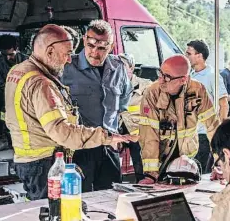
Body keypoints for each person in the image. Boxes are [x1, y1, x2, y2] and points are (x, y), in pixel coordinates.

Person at [5, 24, 134, 221]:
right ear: (49, 50)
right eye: (65, 53)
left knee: (59, 220)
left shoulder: (19, 72)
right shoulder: (41, 82)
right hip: (47, 162)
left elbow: (122, 104)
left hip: (38, 161)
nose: (68, 59)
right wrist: (106, 137)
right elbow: (62, 132)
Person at [62, 20, 132, 191]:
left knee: (111, 197)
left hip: (109, 147)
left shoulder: (118, 68)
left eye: (101, 48)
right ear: (84, 40)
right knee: (79, 199)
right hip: (80, 147)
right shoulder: (67, 67)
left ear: (111, 46)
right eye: (91, 45)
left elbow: (123, 100)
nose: (94, 52)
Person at [138, 54, 220, 184]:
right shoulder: (152, 93)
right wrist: (151, 175)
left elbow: (213, 128)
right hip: (158, 160)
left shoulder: (198, 91)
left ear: (183, 80)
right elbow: (149, 135)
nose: (161, 81)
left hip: (186, 160)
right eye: (161, 74)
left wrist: (220, 164)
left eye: (167, 77)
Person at [185, 40, 228, 174]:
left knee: (199, 172)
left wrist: (218, 131)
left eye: (189, 53)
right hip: (191, 133)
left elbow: (224, 104)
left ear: (199, 55)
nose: (186, 56)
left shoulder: (212, 76)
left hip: (205, 134)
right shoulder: (190, 75)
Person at [118, 52, 152, 182]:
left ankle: (143, 182)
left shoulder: (146, 86)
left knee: (141, 165)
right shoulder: (110, 85)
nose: (119, 70)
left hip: (137, 132)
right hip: (118, 130)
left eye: (123, 66)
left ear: (131, 68)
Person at [0, 34, 27, 146]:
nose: (8, 58)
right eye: (4, 55)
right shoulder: (0, 65)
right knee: (1, 113)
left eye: (11, 54)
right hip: (9, 99)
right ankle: (3, 138)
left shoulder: (28, 62)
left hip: (28, 99)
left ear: (16, 49)